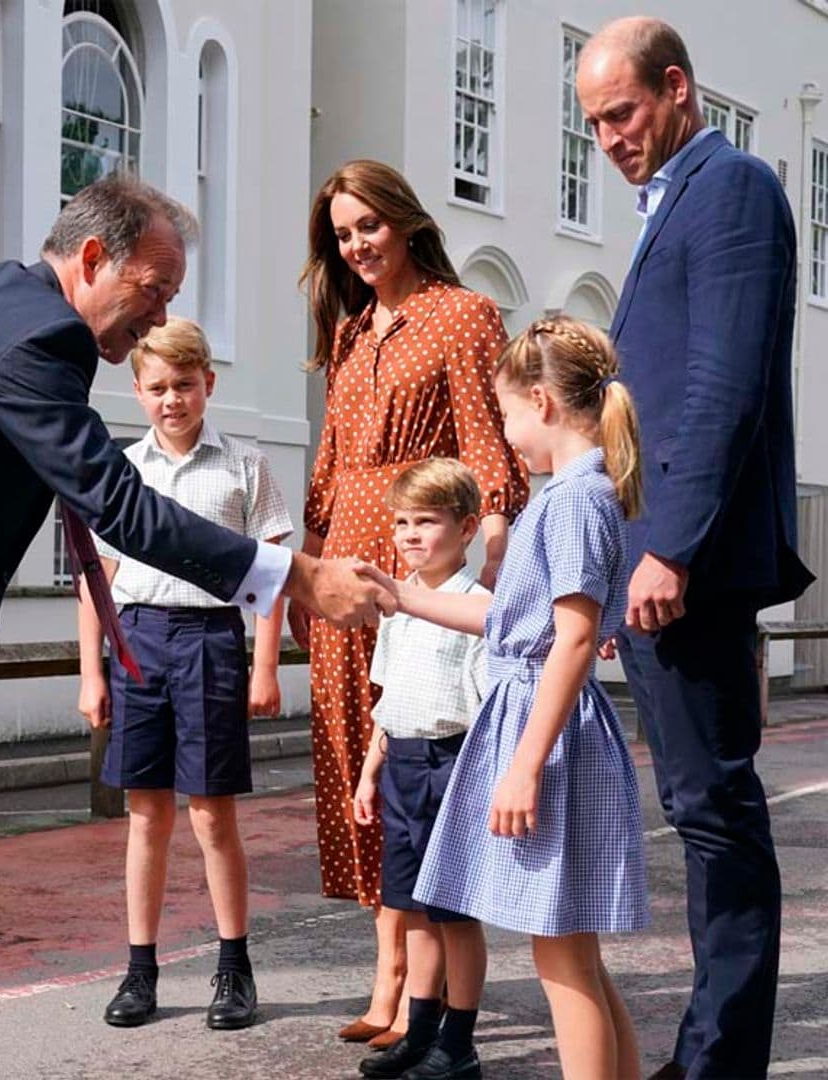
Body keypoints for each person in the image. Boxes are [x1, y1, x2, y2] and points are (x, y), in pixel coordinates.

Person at [0, 174, 391, 1079]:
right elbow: (118, 504)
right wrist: (292, 577)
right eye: (155, 289)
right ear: (94, 260)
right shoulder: (34, 335)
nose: (159, 314)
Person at [576, 18, 814, 1079]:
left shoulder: (734, 188)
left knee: (715, 815)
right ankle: (714, 1051)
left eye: (621, 113)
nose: (610, 138)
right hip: (666, 556)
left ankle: (721, 1061)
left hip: (692, 563)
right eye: (593, 124)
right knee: (702, 809)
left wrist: (665, 548)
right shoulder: (677, 199)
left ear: (678, 89)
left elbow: (722, 385)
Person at [363, 317, 649, 1080]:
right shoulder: (572, 496)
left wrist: (524, 765)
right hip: (544, 724)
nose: (508, 434)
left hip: (544, 734)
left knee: (562, 963)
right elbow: (506, 620)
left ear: (541, 402)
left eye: (508, 416)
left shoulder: (572, 501)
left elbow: (574, 640)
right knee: (575, 956)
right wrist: (400, 596)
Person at [292, 159, 528, 1046]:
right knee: (358, 766)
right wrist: (307, 570)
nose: (356, 246)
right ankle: (385, 968)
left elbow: (487, 445)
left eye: (368, 227)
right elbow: (325, 466)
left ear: (405, 221)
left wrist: (494, 553)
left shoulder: (462, 315)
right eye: (343, 235)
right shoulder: (351, 334)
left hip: (417, 563)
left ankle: (414, 984)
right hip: (344, 570)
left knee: (416, 762)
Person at [74, 317, 292, 1031]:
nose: (173, 400)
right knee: (146, 815)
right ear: (136, 390)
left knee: (211, 813)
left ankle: (234, 966)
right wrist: (92, 674)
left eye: (186, 385)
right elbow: (95, 583)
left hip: (210, 641)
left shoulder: (243, 466)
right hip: (137, 640)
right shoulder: (123, 471)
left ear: (209, 384)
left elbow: (272, 574)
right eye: (159, 387)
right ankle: (141, 970)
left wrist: (265, 664)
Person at [351, 458, 490, 1080]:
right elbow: (391, 701)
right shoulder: (397, 604)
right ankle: (421, 1029)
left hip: (453, 764)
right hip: (404, 763)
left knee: (455, 915)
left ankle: (459, 1044)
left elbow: (490, 708)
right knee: (414, 911)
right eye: (402, 521)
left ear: (466, 529)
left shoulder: (479, 608)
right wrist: (370, 771)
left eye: (426, 521)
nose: (410, 534)